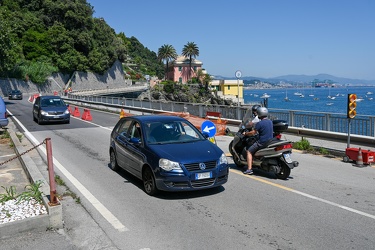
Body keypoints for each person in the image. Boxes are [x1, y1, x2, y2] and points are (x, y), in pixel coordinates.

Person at [243, 107, 274, 175]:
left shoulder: (260, 123)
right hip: (270, 141)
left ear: (259, 114)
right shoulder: (270, 122)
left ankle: (249, 169)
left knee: (249, 151)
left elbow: (253, 133)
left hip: (262, 142)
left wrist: (246, 133)